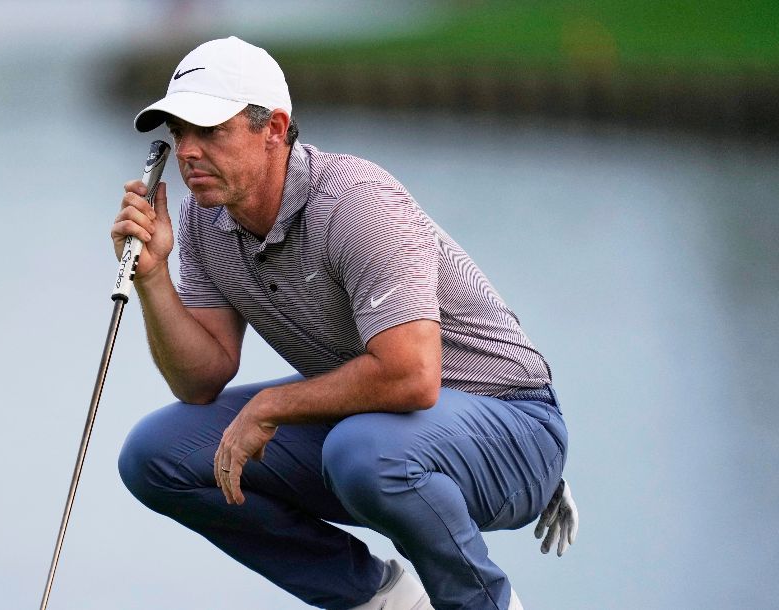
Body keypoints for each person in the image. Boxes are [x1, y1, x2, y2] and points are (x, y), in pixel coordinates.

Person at [112, 36, 577, 610]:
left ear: (275, 129)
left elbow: (412, 377)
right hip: (386, 426)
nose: (187, 152)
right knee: (157, 454)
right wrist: (153, 277)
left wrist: (269, 407)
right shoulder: (206, 220)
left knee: (362, 452)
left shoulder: (356, 201)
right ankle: (378, 598)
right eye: (180, 133)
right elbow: (199, 381)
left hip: (515, 424)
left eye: (210, 131)